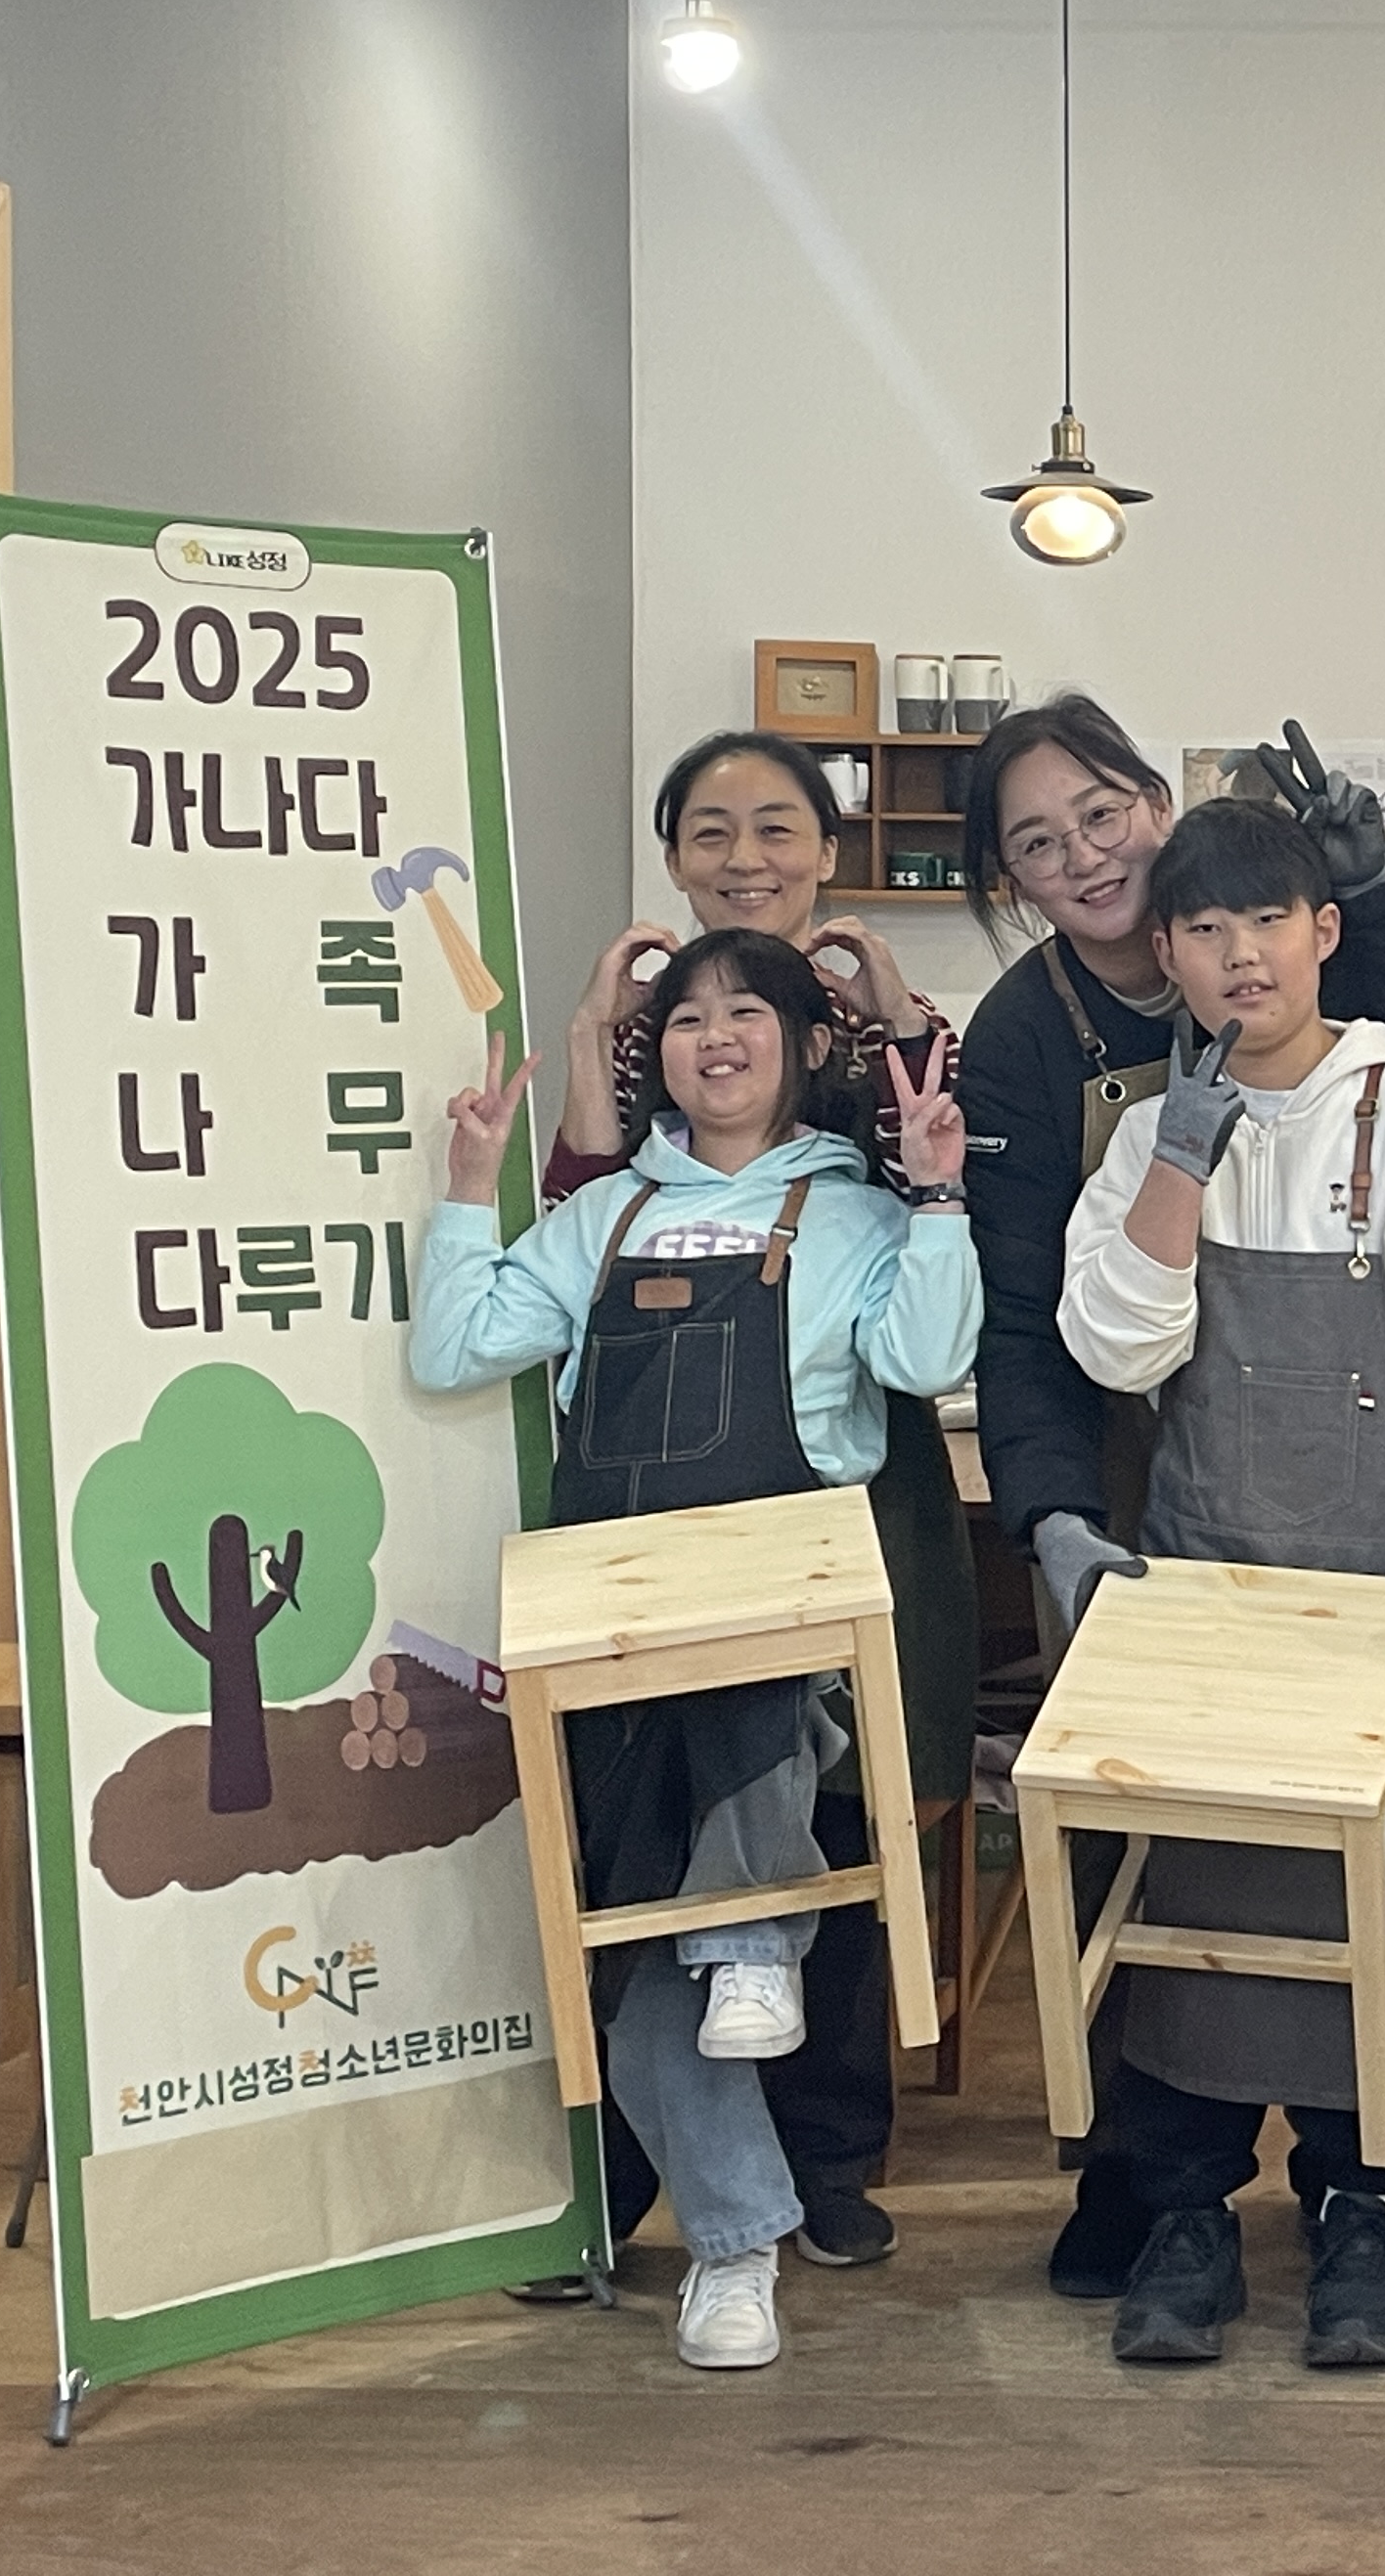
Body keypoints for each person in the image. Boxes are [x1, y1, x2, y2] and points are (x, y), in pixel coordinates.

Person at [946, 698, 1385, 2299]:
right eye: (1035, 844)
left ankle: (1361, 2194)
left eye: (1267, 921)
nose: (1236, 955)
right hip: (1186, 1564)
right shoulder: (1089, 1083)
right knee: (1179, 1870)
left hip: (1380, 1581)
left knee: (1369, 1889)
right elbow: (1092, 1339)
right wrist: (1178, 1167)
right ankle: (1175, 2197)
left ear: (1325, 928)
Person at [413, 931, 977, 2373]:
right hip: (607, 1634)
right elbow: (456, 1347)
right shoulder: (605, 1217)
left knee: (743, 1721)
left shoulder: (854, 1212)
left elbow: (924, 1363)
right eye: (684, 1018)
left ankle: (736, 2213)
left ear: (807, 1046)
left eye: (745, 1013)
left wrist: (937, 1197)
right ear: (651, 1054)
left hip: (783, 1627)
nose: (713, 1038)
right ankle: (737, 2212)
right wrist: (471, 1188)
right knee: (644, 1953)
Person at [532, 728, 966, 2277]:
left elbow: (952, 1179)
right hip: (649, 1487)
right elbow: (581, 1226)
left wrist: (899, 1019)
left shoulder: (870, 1025)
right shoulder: (646, 1028)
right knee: (638, 1812)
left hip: (841, 1474)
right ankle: (625, 2170)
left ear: (826, 852)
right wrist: (594, 1047)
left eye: (777, 826)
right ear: (673, 857)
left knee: (827, 1798)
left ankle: (827, 2156)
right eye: (709, 830)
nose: (744, 856)